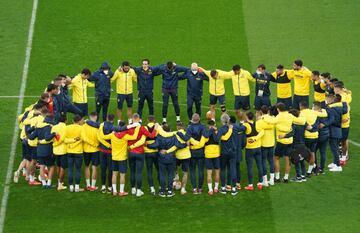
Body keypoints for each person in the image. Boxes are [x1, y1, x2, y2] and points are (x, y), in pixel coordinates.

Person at [264, 103, 305, 183]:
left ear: (278, 109)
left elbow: (270, 121)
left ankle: (277, 177)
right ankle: (286, 178)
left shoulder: (279, 117)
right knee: (287, 159)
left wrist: (263, 117)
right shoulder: (290, 116)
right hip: (290, 141)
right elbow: (302, 121)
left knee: (276, 158)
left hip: (281, 141)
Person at [191, 120, 232, 195]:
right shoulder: (217, 132)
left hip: (208, 155)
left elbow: (201, 144)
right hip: (216, 154)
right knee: (217, 171)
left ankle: (210, 190)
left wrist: (192, 144)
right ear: (214, 124)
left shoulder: (205, 133)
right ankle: (216, 188)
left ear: (208, 125)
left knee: (209, 173)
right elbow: (221, 138)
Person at [147, 124, 186, 197]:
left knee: (162, 174)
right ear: (170, 130)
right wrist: (185, 145)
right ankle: (170, 191)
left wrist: (147, 145)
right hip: (171, 158)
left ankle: (162, 191)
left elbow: (155, 145)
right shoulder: (173, 136)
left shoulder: (159, 137)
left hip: (161, 158)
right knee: (170, 175)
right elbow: (178, 145)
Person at [102, 122, 141, 196]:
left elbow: (102, 136)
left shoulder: (112, 135)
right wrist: (138, 127)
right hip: (122, 158)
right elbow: (135, 136)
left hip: (114, 158)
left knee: (114, 174)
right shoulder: (125, 136)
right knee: (122, 175)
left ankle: (114, 191)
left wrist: (101, 127)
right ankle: (121, 191)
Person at [127, 113, 157, 197]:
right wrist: (155, 128)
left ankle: (133, 189)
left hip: (131, 152)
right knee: (139, 172)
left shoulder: (128, 128)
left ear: (132, 119)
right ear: (139, 119)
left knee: (132, 171)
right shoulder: (142, 128)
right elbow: (151, 135)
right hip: (140, 153)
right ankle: (138, 191)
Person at [177, 113, 206, 194]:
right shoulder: (202, 126)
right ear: (199, 119)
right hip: (201, 151)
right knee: (200, 170)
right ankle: (200, 188)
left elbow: (186, 138)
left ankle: (194, 189)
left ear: (192, 120)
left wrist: (179, 133)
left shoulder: (190, 128)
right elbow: (206, 136)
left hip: (192, 151)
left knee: (192, 170)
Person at [28, 108, 57, 188]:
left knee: (42, 166)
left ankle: (44, 184)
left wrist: (28, 131)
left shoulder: (38, 127)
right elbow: (48, 138)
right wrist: (53, 134)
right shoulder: (48, 127)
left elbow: (31, 137)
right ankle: (49, 184)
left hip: (39, 151)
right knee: (51, 166)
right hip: (47, 150)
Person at [23, 103, 45, 186]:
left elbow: (27, 128)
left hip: (30, 142)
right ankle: (31, 179)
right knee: (34, 161)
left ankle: (29, 176)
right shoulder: (41, 119)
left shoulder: (32, 119)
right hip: (35, 143)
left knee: (31, 160)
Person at [243, 112, 264, 191]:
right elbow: (262, 132)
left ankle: (250, 185)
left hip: (250, 149)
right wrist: (256, 138)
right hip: (258, 148)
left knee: (250, 167)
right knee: (259, 165)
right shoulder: (257, 124)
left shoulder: (246, 125)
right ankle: (260, 183)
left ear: (247, 117)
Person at [326, 94, 348, 172]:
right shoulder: (339, 108)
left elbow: (331, 120)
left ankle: (338, 166)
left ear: (331, 100)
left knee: (334, 148)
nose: (326, 101)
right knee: (335, 148)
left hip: (333, 130)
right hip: (338, 130)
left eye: (327, 99)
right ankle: (335, 163)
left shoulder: (330, 109)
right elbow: (345, 109)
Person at [256, 105, 276, 186]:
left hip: (263, 144)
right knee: (271, 160)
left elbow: (258, 130)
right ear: (268, 111)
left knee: (263, 161)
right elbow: (272, 126)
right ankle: (272, 180)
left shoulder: (259, 121)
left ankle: (265, 181)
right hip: (271, 143)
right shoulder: (272, 119)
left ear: (261, 111)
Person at [64, 114, 84, 192]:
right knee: (78, 169)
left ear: (73, 120)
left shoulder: (67, 128)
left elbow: (65, 140)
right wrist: (75, 141)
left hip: (69, 151)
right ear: (79, 121)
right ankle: (77, 187)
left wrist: (72, 142)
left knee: (70, 169)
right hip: (78, 151)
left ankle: (71, 187)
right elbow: (82, 139)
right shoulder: (81, 128)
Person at [334, 81, 352, 163]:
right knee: (343, 140)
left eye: (335, 88)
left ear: (339, 89)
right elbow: (349, 93)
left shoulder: (340, 98)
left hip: (342, 122)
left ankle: (343, 156)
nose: (334, 90)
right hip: (344, 121)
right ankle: (344, 155)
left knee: (341, 141)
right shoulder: (347, 95)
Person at [81, 112, 100, 191]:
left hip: (86, 149)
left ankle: (88, 185)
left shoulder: (84, 126)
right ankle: (93, 186)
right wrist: (95, 144)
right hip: (95, 149)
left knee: (87, 166)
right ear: (95, 117)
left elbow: (83, 138)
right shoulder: (98, 127)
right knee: (94, 167)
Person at [143, 115, 160, 195]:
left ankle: (152, 188)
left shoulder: (144, 128)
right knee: (158, 169)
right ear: (154, 120)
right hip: (156, 152)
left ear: (147, 120)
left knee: (149, 170)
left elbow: (143, 140)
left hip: (147, 152)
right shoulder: (158, 128)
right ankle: (161, 186)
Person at [173, 122, 191, 195]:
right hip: (186, 155)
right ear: (183, 127)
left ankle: (176, 176)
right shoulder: (187, 134)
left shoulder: (175, 134)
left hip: (177, 155)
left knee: (175, 167)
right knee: (185, 173)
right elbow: (188, 145)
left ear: (177, 127)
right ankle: (183, 189)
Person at [51, 115, 68, 190]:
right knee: (63, 167)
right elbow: (62, 139)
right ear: (66, 120)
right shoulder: (66, 128)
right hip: (63, 150)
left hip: (55, 150)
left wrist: (54, 144)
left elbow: (52, 137)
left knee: (58, 165)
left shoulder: (54, 127)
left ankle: (59, 181)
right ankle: (60, 184)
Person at [313, 101, 329, 174]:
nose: (312, 108)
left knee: (314, 152)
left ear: (316, 107)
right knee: (323, 152)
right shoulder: (324, 112)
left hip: (318, 136)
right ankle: (322, 169)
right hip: (326, 135)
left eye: (313, 106)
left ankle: (315, 168)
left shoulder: (315, 114)